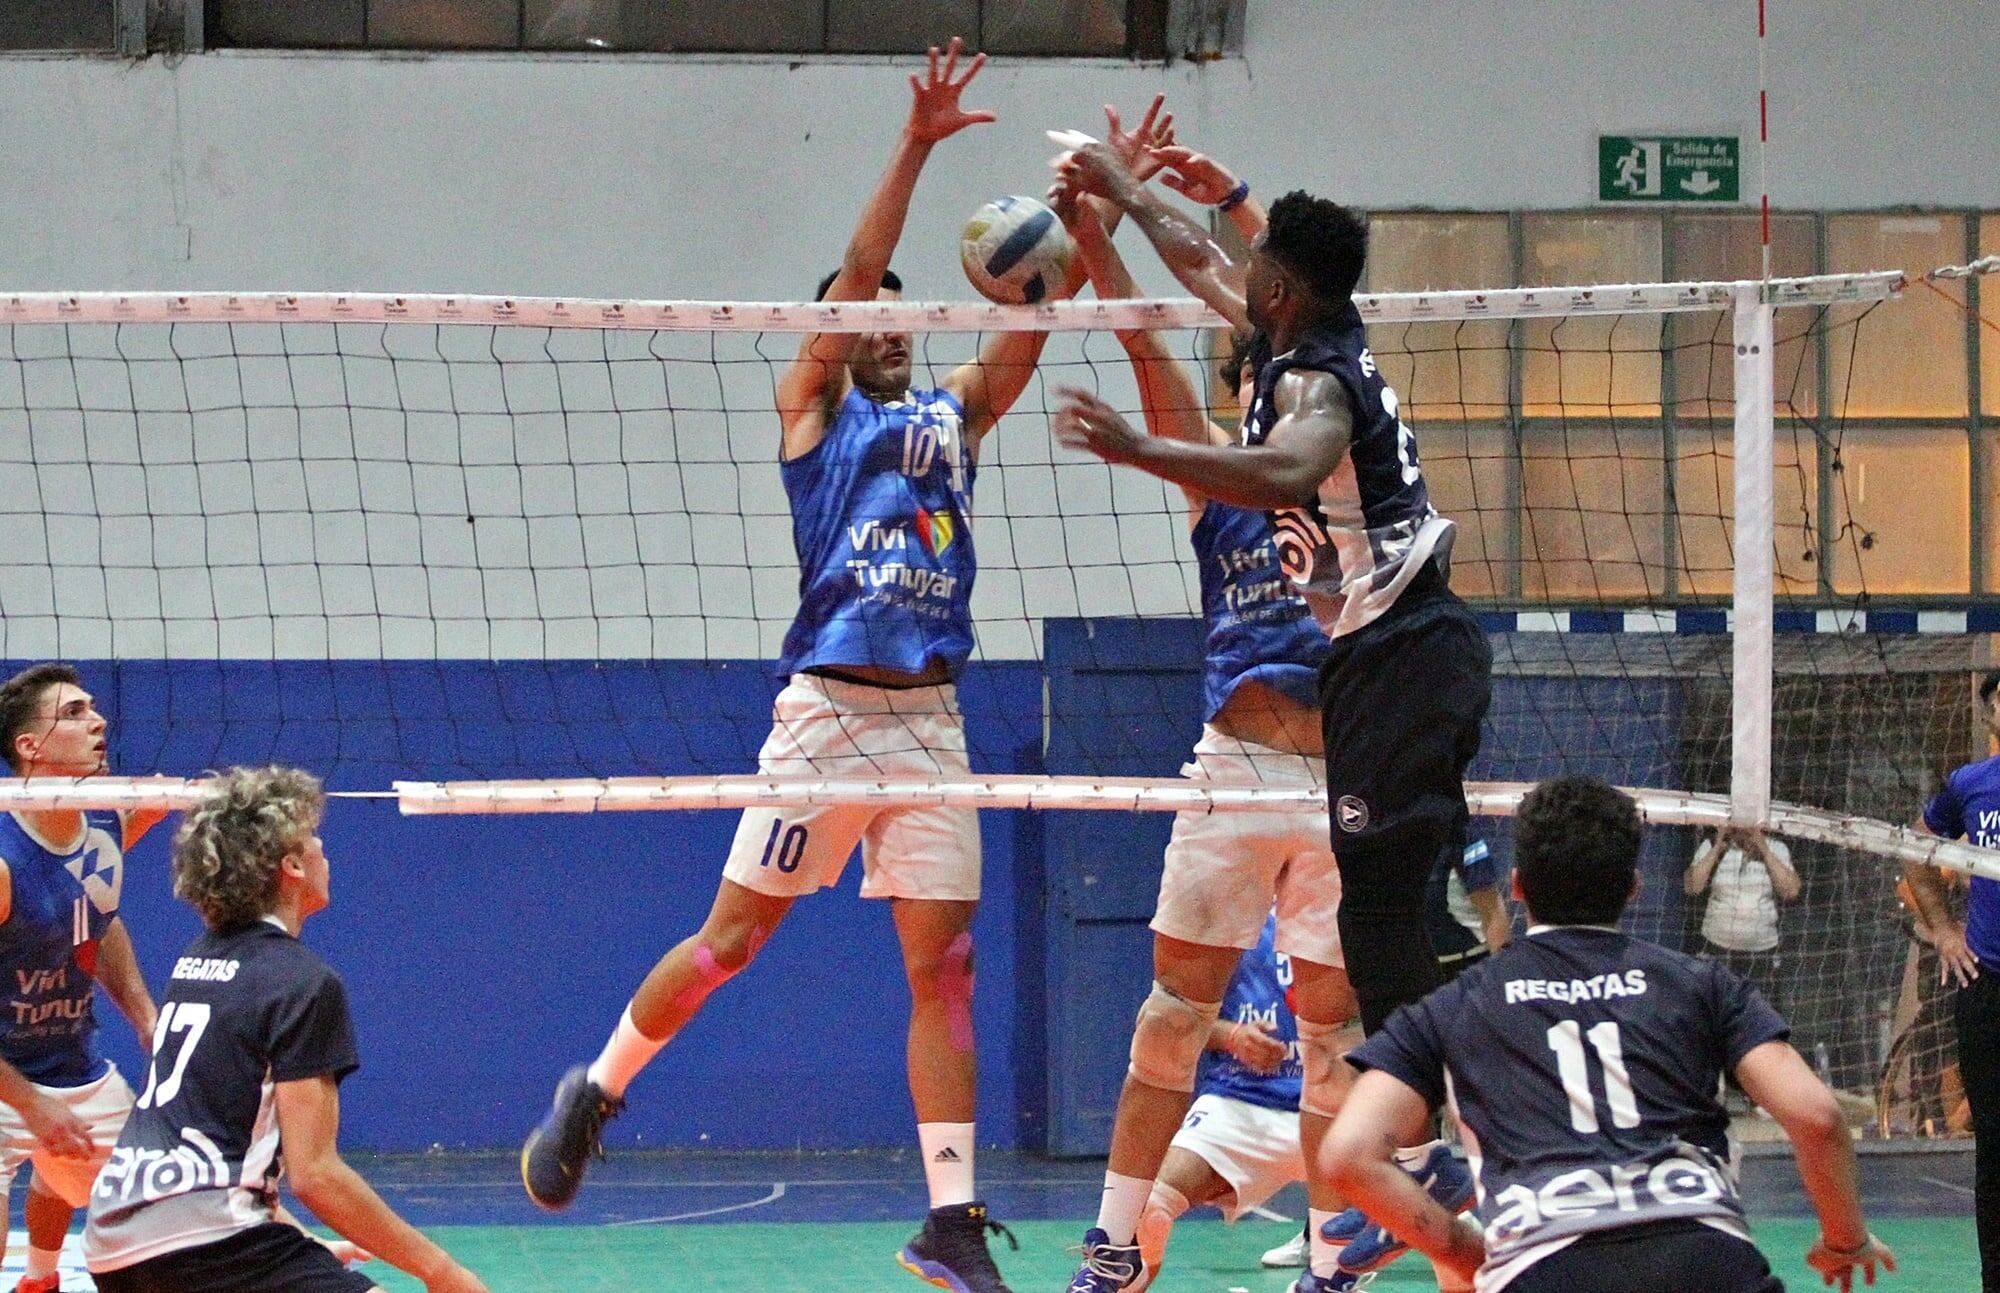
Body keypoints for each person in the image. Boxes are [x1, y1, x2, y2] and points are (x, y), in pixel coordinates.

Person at [520, 46, 1167, 1293]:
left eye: (896, 316)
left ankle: (950, 1218)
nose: (881, 322)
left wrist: (1092, 215)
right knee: (728, 945)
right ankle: (596, 1092)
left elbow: (1025, 321)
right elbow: (858, 277)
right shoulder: (815, 412)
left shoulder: (947, 419)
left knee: (947, 965)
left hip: (931, 724)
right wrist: (918, 144)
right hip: (822, 719)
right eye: (862, 310)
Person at [1052, 143, 1492, 1050]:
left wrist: (1138, 449)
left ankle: (1435, 1108)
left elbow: (1290, 465)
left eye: (1258, 266)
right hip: (1394, 657)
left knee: (1378, 921)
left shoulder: (1317, 384)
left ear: (1282, 289)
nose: (1237, 270)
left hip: (1400, 654)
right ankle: (1423, 1112)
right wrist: (1125, 191)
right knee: (1377, 915)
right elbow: (1201, 259)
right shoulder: (1301, 334)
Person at [1050, 192, 1374, 1293]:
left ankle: (1332, 1266)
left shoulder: (1349, 479)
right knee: (1166, 1021)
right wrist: (1096, 235)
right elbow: (1145, 343)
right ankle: (1116, 1247)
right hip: (1236, 769)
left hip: (1343, 778)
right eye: (1252, 389)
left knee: (1333, 1041)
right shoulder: (1218, 488)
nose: (1268, 400)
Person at [1322, 775, 1896, 1293]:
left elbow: (1348, 1157)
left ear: (1517, 886)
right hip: (1704, 1257)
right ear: (1634, 888)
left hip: (1544, 1264)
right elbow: (1817, 1117)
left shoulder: (1455, 1005)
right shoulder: (1701, 984)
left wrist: (1468, 1251)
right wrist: (1846, 1242)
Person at [82, 765, 487, 1293]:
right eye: (312, 838)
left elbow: (220, 1141)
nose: (324, 849)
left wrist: (298, 1243)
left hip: (116, 1242)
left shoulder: (197, 959)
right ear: (291, 866)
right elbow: (314, 1174)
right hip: (210, 1243)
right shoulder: (302, 982)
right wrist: (444, 1272)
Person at [0, 663, 165, 1293]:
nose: (98, 721)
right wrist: (31, 1106)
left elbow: (95, 914)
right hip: (2, 1077)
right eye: (73, 713)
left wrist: (145, 1018)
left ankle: (39, 1280)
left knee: (145, 1212)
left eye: (94, 708)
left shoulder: (106, 824)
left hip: (70, 1064)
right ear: (29, 748)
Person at [1905, 667, 2000, 1290]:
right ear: (1990, 714)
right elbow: (1916, 849)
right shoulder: (1970, 785)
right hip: (1989, 986)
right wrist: (1942, 929)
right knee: (1993, 1141)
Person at [1685, 823, 1799, 1010]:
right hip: (1716, 947)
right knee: (1713, 1009)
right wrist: (1717, 847)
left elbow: (1791, 891)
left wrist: (1763, 850)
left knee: (1758, 1012)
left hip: (1761, 951)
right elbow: (1692, 887)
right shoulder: (1711, 845)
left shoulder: (1777, 848)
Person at [1429, 836, 1509, 982]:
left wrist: (1501, 981)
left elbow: (1493, 914)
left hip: (1467, 967)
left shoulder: (1463, 838)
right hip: (1414, 970)